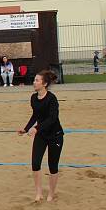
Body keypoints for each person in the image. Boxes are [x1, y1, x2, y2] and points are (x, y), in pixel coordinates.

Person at [17, 70, 64, 202]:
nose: (34, 82)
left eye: (37, 80)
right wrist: (26, 129)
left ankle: (51, 193)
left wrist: (36, 128)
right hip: (41, 135)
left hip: (55, 135)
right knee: (35, 164)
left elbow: (52, 119)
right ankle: (39, 192)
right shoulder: (33, 98)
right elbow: (35, 115)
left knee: (52, 166)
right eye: (34, 80)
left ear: (44, 84)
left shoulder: (52, 98)